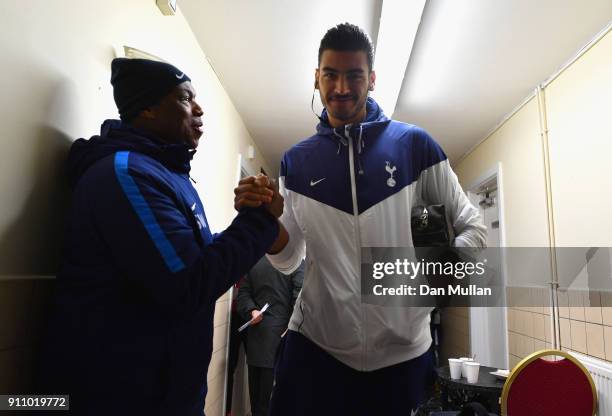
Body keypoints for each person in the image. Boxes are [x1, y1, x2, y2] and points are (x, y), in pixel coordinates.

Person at [244, 23, 487, 415]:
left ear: (371, 79)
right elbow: (288, 259)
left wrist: (445, 266)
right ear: (316, 78)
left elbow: (472, 226)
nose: (341, 87)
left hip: (404, 354)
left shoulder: (415, 147)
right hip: (317, 350)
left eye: (354, 75)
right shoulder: (297, 162)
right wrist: (266, 219)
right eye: (331, 75)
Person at [38, 58, 282, 415]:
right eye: (185, 98)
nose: (199, 109)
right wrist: (260, 219)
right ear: (148, 108)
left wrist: (248, 220)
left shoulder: (170, 178)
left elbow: (189, 256)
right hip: (119, 397)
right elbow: (187, 283)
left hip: (166, 393)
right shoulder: (125, 176)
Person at [236, 257, 304, 416]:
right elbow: (301, 300)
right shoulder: (294, 261)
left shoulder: (254, 259)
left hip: (256, 337)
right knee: (272, 402)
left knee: (257, 400)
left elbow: (243, 293)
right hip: (281, 338)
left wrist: (251, 310)